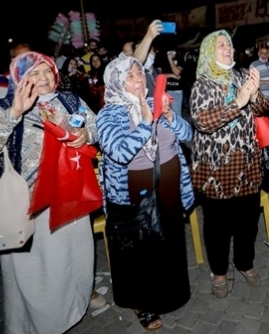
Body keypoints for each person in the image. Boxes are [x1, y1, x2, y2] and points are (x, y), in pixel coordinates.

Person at [0, 52, 99, 334]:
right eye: (34, 73)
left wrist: (86, 135)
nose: (43, 78)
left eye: (47, 71)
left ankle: (75, 306)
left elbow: (94, 125)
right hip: (31, 204)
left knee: (75, 256)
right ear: (19, 77)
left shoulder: (69, 99)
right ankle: (44, 324)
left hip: (71, 195)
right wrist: (14, 114)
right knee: (43, 270)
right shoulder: (6, 105)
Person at [96, 56, 195, 331]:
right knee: (139, 250)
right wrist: (145, 123)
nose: (139, 79)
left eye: (140, 73)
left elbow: (188, 135)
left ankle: (170, 293)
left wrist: (170, 116)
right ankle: (141, 303)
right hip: (132, 193)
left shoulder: (155, 101)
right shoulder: (107, 115)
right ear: (116, 82)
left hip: (169, 186)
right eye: (130, 76)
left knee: (169, 241)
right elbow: (119, 152)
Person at [189, 30, 269, 298]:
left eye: (230, 45)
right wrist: (238, 102)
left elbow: (262, 109)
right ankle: (219, 272)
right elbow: (202, 121)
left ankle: (245, 263)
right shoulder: (202, 85)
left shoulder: (241, 76)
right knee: (218, 227)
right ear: (210, 51)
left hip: (247, 166)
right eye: (221, 45)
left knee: (248, 223)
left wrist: (254, 94)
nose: (228, 48)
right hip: (216, 170)